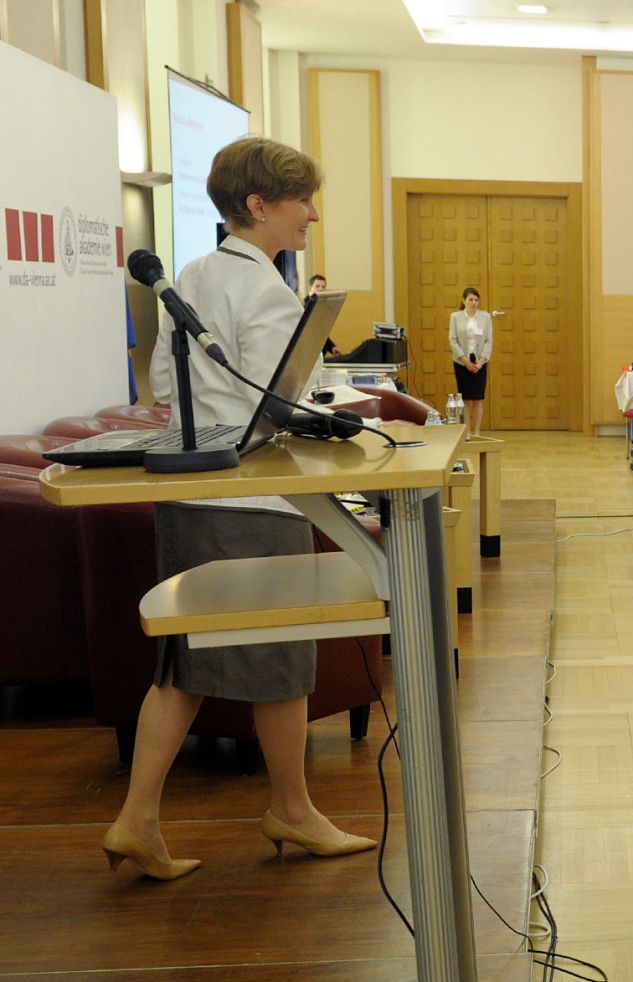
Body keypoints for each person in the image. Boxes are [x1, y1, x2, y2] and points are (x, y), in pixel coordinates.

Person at [119, 136, 374, 881]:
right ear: (259, 205)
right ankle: (291, 810)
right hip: (253, 501)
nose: (312, 215)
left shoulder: (194, 275)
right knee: (283, 661)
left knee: (184, 665)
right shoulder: (264, 289)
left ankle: (138, 820)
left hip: (192, 492)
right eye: (302, 202)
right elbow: (282, 400)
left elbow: (164, 382)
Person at [450, 286, 494, 435]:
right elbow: (453, 340)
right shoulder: (455, 317)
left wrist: (480, 362)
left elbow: (489, 341)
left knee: (478, 398)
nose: (474, 302)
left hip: (480, 363)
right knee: (466, 399)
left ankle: (476, 431)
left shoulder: (485, 317)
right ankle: (467, 431)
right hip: (462, 362)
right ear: (464, 301)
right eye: (470, 299)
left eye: (476, 300)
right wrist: (466, 362)